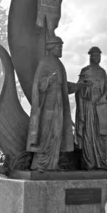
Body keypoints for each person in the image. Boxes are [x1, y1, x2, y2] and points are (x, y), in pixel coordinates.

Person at [27, 36, 80, 172]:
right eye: (59, 47)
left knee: (57, 134)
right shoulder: (45, 62)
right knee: (46, 134)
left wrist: (79, 86)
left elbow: (64, 87)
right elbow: (38, 84)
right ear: (51, 48)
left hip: (59, 107)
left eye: (61, 47)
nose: (61, 49)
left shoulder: (58, 64)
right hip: (47, 107)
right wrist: (50, 79)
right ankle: (40, 164)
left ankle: (52, 164)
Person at [74, 46, 107, 170]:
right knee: (89, 135)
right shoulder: (85, 71)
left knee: (101, 135)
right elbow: (79, 89)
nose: (98, 58)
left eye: (99, 56)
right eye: (95, 55)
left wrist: (105, 96)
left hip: (100, 108)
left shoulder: (102, 72)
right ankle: (90, 163)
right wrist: (86, 88)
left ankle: (101, 163)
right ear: (90, 57)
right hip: (88, 108)